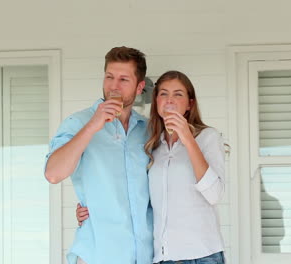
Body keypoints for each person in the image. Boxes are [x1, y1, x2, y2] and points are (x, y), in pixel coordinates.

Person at [78, 70, 227, 264]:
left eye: (178, 94)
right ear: (156, 102)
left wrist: (188, 139)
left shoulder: (208, 137)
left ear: (190, 104)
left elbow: (214, 194)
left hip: (201, 255)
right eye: (163, 94)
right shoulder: (153, 144)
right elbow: (137, 194)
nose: (170, 100)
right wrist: (93, 209)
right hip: (163, 257)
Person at [45, 46, 153, 264]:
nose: (114, 86)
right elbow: (53, 174)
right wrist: (93, 125)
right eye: (109, 77)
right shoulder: (78, 123)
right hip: (97, 255)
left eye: (124, 79)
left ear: (139, 86)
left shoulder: (148, 130)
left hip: (145, 256)